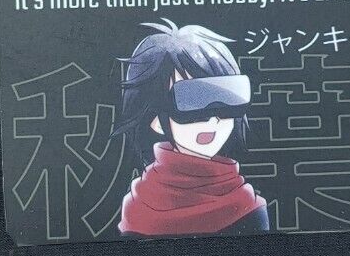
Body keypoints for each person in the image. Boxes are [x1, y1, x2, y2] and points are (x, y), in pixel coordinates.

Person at [115, 21, 269, 237]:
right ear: (155, 119)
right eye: (192, 99)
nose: (213, 118)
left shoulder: (247, 206)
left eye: (226, 97)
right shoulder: (138, 207)